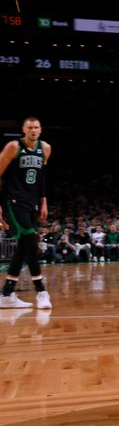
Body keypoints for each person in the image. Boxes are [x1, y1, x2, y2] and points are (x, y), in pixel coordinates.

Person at [0, 116, 53, 310]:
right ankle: (41, 291)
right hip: (13, 201)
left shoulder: (45, 148)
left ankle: (7, 293)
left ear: (40, 130)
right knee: (30, 240)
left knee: (24, 246)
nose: (33, 130)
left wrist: (44, 201)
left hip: (32, 203)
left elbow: (42, 178)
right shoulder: (13, 147)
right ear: (23, 129)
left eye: (36, 127)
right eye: (29, 127)